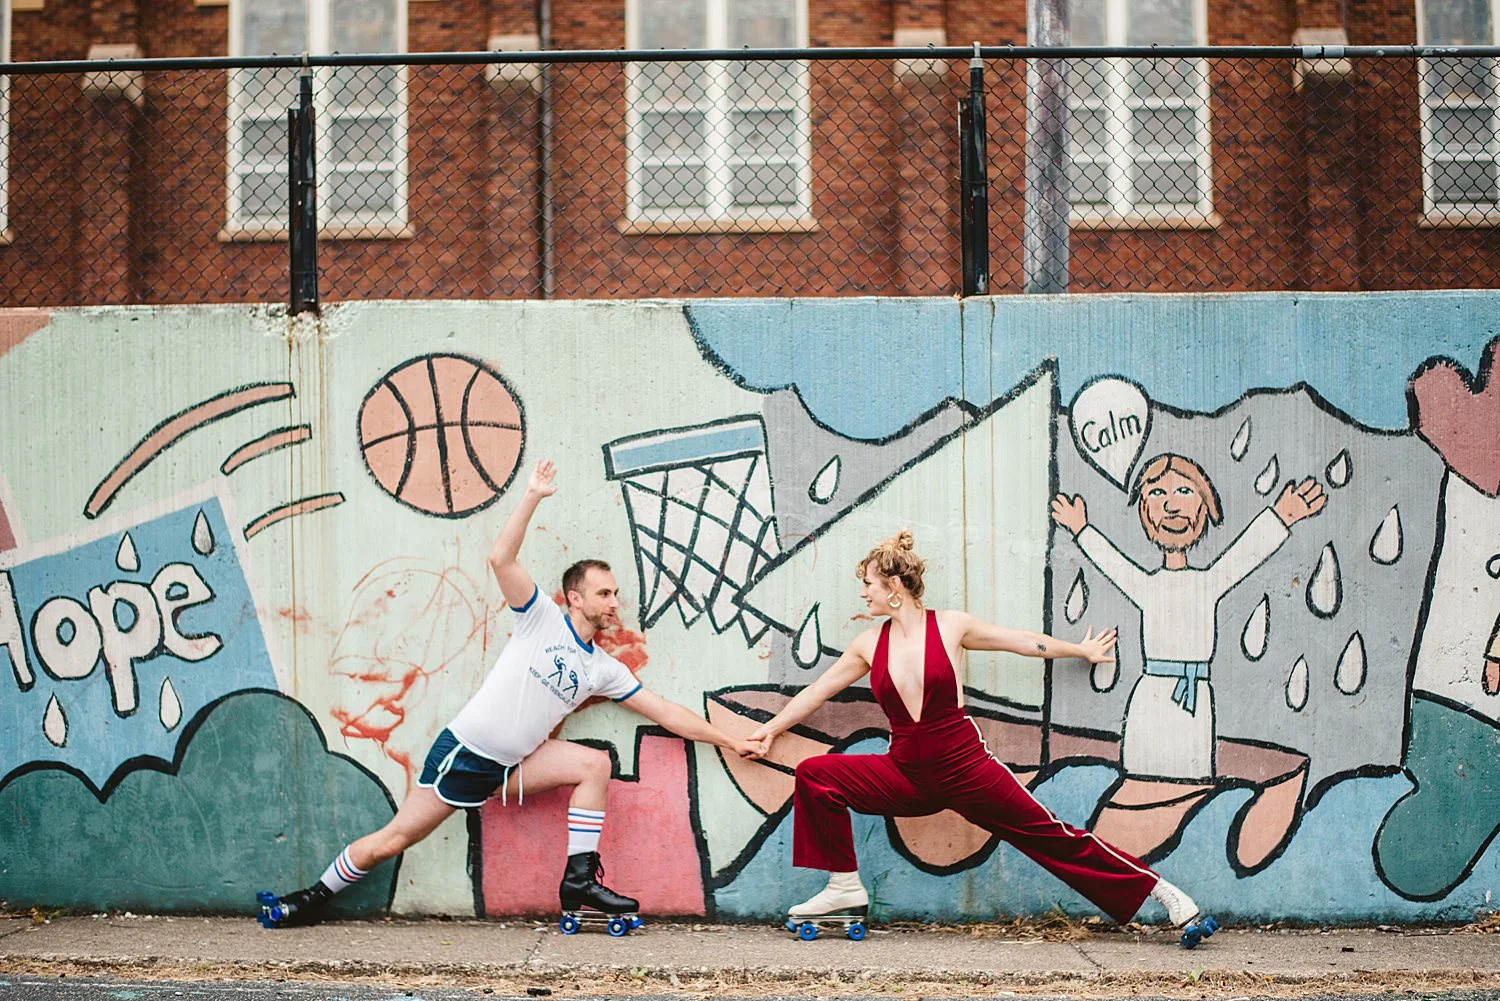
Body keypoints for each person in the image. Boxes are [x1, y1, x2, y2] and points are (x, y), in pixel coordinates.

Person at [259, 459, 763, 928]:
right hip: (466, 756)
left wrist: (727, 739)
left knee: (593, 765)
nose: (614, 601)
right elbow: (500, 557)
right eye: (604, 593)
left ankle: (579, 879)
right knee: (396, 839)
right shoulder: (540, 618)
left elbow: (667, 712)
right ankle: (308, 900)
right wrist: (533, 496)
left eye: (615, 593)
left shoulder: (600, 667)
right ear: (575, 597)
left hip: (515, 765)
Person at [747, 531, 1215, 945]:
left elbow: (1022, 641)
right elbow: (818, 690)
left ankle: (1168, 896)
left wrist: (1080, 650)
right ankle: (844, 887)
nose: (862, 593)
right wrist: (769, 728)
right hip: (905, 773)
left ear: (894, 588)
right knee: (816, 774)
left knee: (1051, 836)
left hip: (966, 768)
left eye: (868, 584)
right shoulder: (869, 644)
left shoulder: (951, 626)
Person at [1051, 454, 1327, 783]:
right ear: (1144, 509)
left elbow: (1242, 556)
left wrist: (1282, 516)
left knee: (1191, 779)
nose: (1171, 506)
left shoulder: (1207, 583)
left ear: (1203, 504)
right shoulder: (1149, 585)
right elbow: (1115, 566)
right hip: (1151, 699)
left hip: (1194, 703)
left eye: (1183, 492)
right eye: (1157, 494)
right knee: (1143, 776)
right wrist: (1081, 530)